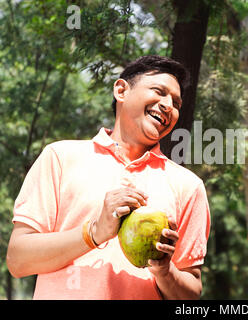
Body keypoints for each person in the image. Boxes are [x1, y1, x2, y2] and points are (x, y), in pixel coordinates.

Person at [6, 55, 211, 300]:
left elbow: (190, 293)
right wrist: (94, 232)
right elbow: (18, 260)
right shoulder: (60, 157)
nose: (169, 105)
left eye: (176, 103)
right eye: (159, 91)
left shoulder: (188, 185)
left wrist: (165, 272)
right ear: (121, 90)